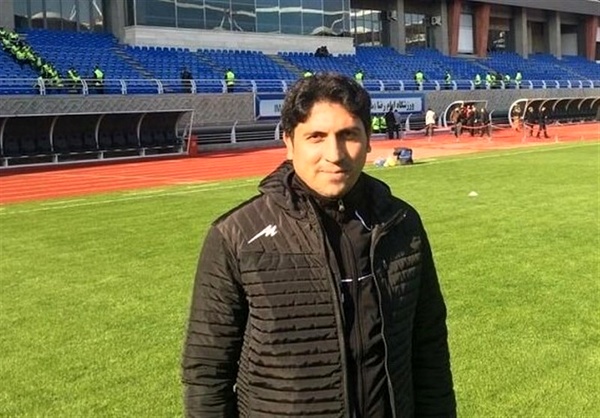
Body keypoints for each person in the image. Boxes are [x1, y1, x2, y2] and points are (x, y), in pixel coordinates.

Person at [182, 72, 456, 418]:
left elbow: (428, 347)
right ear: (289, 142)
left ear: (368, 140)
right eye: (316, 137)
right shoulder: (236, 235)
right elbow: (207, 371)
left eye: (348, 135)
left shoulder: (401, 224)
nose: (335, 154)